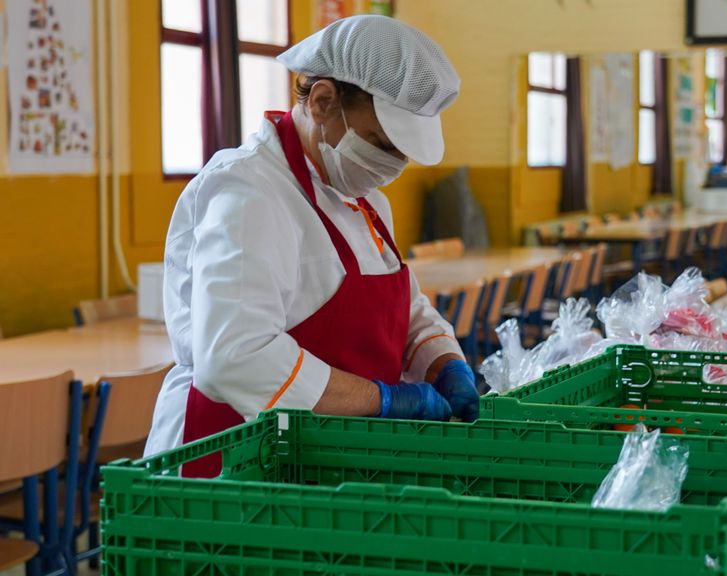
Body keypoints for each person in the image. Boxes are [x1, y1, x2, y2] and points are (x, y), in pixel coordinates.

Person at [145, 16, 479, 477]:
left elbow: (407, 310)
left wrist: (443, 362)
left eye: (402, 154)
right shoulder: (248, 192)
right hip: (237, 464)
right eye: (382, 143)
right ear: (323, 101)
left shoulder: (365, 200)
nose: (393, 166)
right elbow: (234, 356)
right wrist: (382, 400)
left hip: (320, 459)